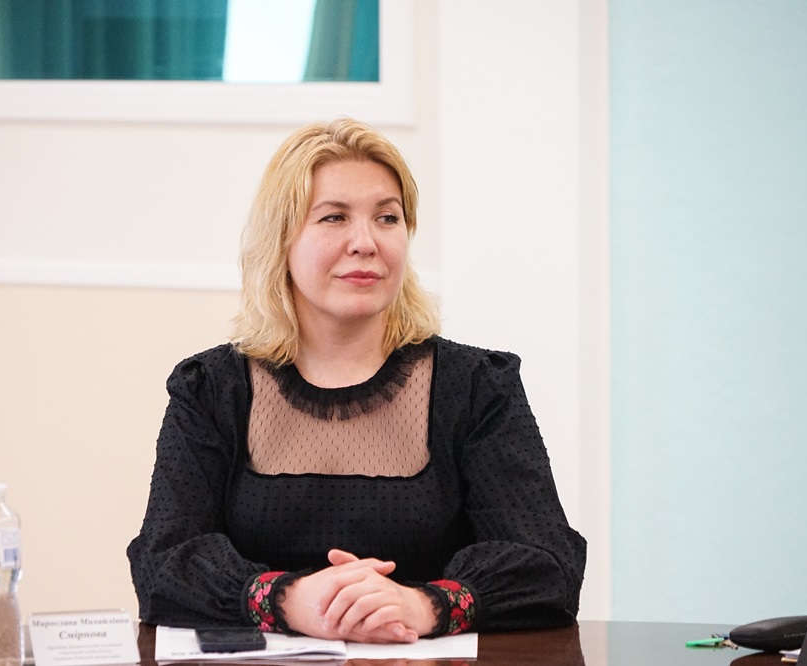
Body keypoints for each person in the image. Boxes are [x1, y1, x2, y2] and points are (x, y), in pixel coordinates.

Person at [127, 117, 587, 643]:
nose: (365, 242)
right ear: (281, 238)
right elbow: (162, 566)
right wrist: (291, 600)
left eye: (387, 218)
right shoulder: (210, 389)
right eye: (334, 217)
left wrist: (422, 605)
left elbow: (547, 564)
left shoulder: (478, 387)